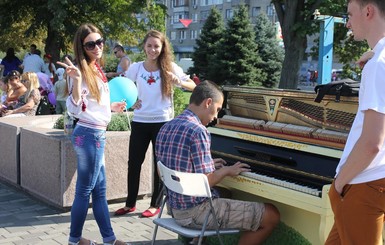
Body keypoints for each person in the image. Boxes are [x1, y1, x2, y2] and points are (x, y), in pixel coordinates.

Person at [155, 81, 280, 245]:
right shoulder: (198, 131)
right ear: (208, 103)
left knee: (225, 193)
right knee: (271, 215)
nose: (215, 117)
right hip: (195, 213)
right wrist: (227, 171)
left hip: (174, 208)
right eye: (218, 110)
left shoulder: (167, 127)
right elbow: (207, 181)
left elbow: (167, 169)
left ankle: (196, 241)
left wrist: (209, 164)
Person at [56, 23, 127, 245]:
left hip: (93, 134)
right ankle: (77, 240)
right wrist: (76, 81)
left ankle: (107, 239)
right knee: (85, 192)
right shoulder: (78, 70)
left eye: (100, 42)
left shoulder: (95, 67)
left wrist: (111, 107)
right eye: (90, 44)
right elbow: (75, 106)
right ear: (82, 46)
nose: (97, 47)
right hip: (90, 136)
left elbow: (91, 104)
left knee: (97, 192)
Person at [114, 30, 196, 218]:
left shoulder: (170, 67)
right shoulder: (136, 68)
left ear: (162, 47)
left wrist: (179, 82)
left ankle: (155, 204)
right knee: (134, 163)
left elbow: (193, 85)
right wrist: (131, 101)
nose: (153, 49)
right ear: (144, 46)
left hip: (163, 123)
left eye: (156, 46)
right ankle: (130, 204)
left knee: (160, 165)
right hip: (140, 122)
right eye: (149, 45)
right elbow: (122, 88)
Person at [325, 1, 385, 244]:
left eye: (350, 14)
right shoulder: (378, 61)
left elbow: (373, 143)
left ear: (368, 11)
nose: (348, 23)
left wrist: (338, 185)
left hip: (364, 182)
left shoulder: (378, 65)